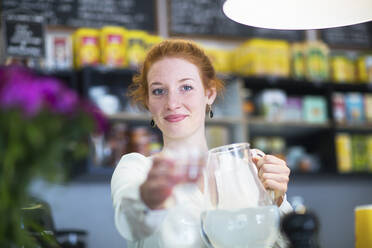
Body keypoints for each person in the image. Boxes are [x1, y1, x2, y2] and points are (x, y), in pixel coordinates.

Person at [111, 39, 292, 248]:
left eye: (186, 87)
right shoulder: (136, 168)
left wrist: (276, 201)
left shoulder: (248, 166)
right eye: (159, 91)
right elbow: (129, 222)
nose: (172, 103)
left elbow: (287, 242)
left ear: (209, 93)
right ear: (148, 102)